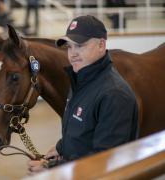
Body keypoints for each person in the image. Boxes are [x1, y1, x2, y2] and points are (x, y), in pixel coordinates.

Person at [27, 15, 139, 175]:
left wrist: (52, 168)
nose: (72, 54)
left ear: (101, 44)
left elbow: (105, 161)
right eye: (69, 47)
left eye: (80, 46)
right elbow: (82, 131)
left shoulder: (114, 95)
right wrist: (61, 148)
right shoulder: (80, 80)